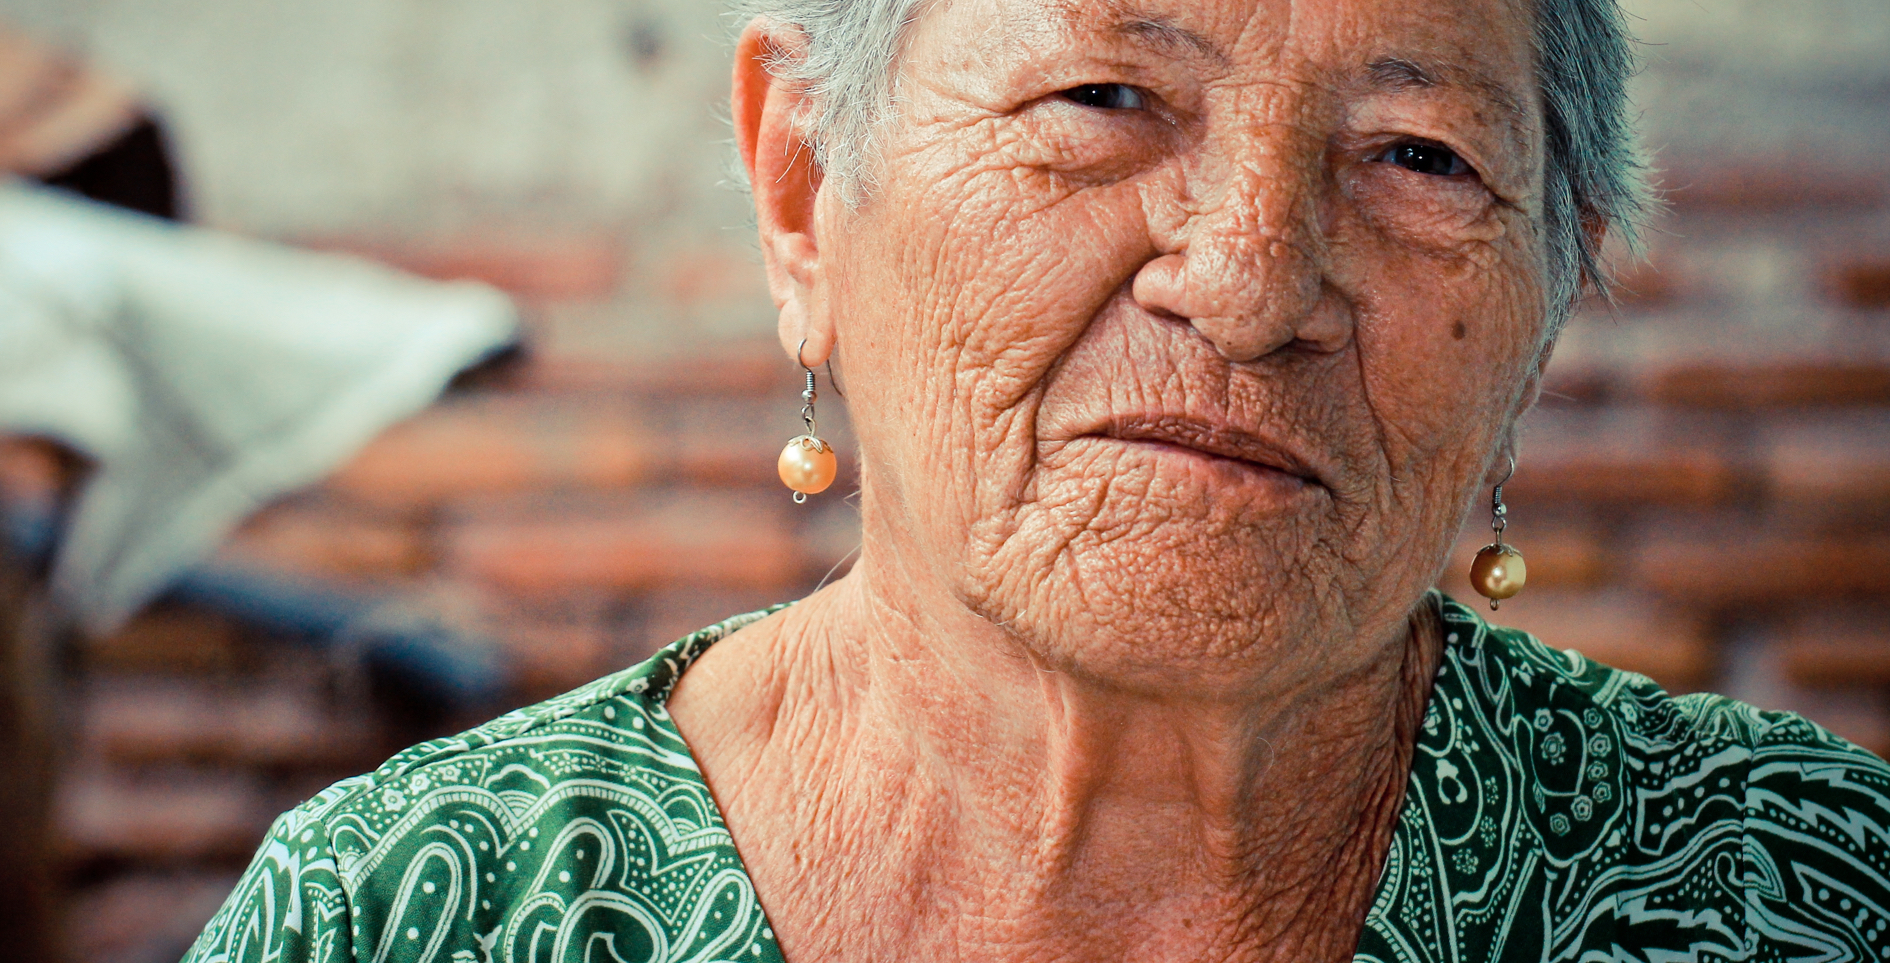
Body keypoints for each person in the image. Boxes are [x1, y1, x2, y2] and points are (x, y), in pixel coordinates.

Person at [183, 0, 1890, 959]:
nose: (1244, 280)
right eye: (1102, 96)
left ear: (1550, 300)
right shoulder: (415, 910)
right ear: (800, 193)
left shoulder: (1791, 890)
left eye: (1417, 157)